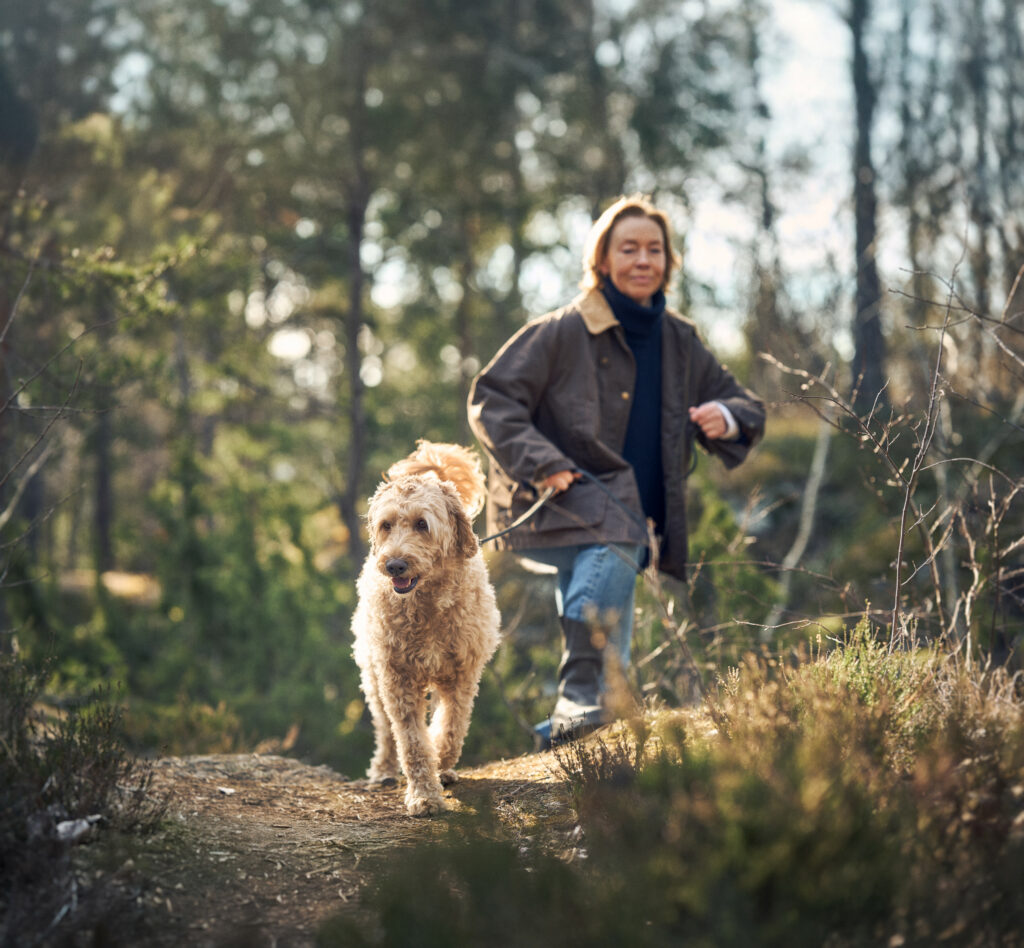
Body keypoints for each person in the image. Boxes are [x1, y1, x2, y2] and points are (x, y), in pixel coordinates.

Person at [467, 194, 765, 746]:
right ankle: (579, 699)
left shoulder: (680, 339)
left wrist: (724, 416)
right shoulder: (561, 330)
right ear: (602, 260)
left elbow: (746, 405)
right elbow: (492, 398)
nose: (643, 260)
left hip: (630, 511)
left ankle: (572, 735)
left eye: (655, 249)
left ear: (668, 262)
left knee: (614, 615)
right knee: (613, 548)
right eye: (628, 248)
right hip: (557, 497)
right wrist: (544, 463)